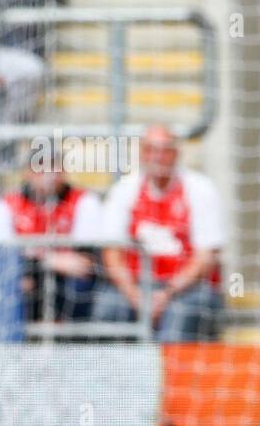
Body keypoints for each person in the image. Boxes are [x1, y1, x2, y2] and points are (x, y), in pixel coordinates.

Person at [93, 125, 225, 341]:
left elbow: (206, 258)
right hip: (136, 284)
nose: (158, 157)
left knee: (178, 320)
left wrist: (166, 294)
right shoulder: (124, 190)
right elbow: (111, 254)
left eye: (165, 150)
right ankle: (116, 374)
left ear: (177, 154)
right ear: (142, 154)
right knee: (107, 309)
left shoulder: (200, 189)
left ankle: (170, 375)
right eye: (152, 150)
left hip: (186, 288)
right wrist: (135, 295)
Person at [0, 148, 103, 322]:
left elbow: (84, 262)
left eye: (54, 166)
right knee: (16, 283)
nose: (48, 173)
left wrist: (33, 261)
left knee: (78, 286)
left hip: (66, 282)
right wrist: (49, 261)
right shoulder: (6, 205)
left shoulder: (84, 201)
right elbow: (0, 259)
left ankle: (70, 343)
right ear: (27, 172)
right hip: (25, 278)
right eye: (40, 166)